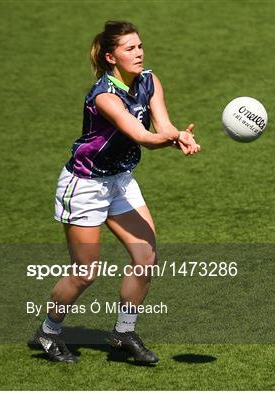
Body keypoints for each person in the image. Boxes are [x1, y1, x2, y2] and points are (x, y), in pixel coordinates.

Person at [33, 20, 201, 364]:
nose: (138, 53)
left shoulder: (149, 81)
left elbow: (162, 126)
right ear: (111, 57)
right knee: (85, 272)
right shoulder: (105, 96)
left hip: (120, 180)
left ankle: (123, 334)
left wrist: (177, 136)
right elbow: (141, 135)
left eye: (139, 46)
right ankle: (48, 332)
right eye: (129, 49)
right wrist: (166, 140)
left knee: (146, 257)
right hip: (85, 186)